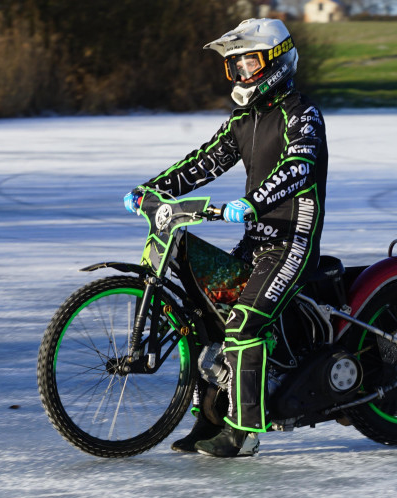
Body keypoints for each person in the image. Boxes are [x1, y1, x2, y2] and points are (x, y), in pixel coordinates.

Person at [123, 18, 328, 457]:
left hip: (292, 239)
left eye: (248, 62)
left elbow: (300, 166)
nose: (240, 74)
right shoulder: (244, 120)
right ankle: (209, 420)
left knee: (243, 322)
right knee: (204, 318)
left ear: (277, 60)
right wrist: (154, 189)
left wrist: (254, 201)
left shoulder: (300, 111)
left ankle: (244, 432)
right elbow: (202, 163)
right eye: (234, 66)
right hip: (257, 241)